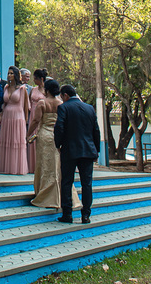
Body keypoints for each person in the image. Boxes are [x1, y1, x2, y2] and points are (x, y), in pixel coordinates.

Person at [27, 78, 81, 210]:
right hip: (58, 136)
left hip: (45, 135)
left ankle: (44, 194)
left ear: (46, 90)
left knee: (45, 164)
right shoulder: (61, 103)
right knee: (58, 165)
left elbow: (35, 120)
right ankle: (63, 195)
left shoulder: (42, 103)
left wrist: (28, 134)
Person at [54, 84, 101, 223]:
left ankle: (67, 214)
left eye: (61, 96)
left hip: (69, 149)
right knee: (87, 184)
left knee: (67, 182)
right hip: (88, 150)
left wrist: (58, 144)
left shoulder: (64, 107)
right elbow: (96, 130)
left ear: (65, 95)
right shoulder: (89, 108)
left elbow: (59, 127)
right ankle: (86, 215)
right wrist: (96, 150)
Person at [0, 65, 29, 174]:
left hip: (17, 117)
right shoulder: (6, 87)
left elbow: (25, 106)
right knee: (6, 140)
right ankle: (6, 166)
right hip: (6, 117)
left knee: (16, 141)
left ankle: (16, 167)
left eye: (11, 73)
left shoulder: (22, 88)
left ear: (16, 75)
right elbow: (4, 104)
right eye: (8, 73)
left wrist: (25, 120)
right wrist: (1, 115)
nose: (9, 75)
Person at [27, 69, 48, 173]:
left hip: (42, 115)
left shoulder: (47, 90)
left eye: (35, 79)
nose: (34, 80)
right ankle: (32, 165)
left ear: (41, 79)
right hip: (33, 114)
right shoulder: (33, 89)